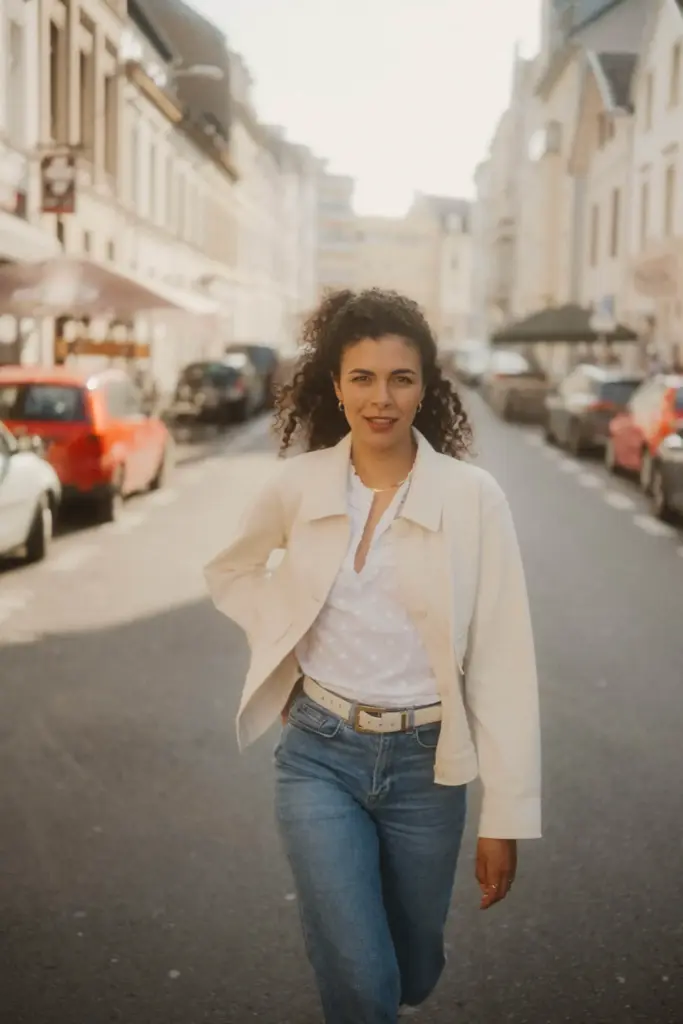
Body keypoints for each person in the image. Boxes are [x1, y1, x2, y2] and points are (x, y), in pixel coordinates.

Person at [205, 288, 542, 1024]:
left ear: (425, 387)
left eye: (400, 378)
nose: (380, 398)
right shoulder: (298, 485)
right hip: (317, 756)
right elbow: (232, 570)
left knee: (409, 969)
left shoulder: (472, 497)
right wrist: (285, 647)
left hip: (429, 767)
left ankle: (395, 980)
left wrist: (505, 816)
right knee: (361, 979)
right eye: (361, 377)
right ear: (335, 384)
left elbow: (504, 660)